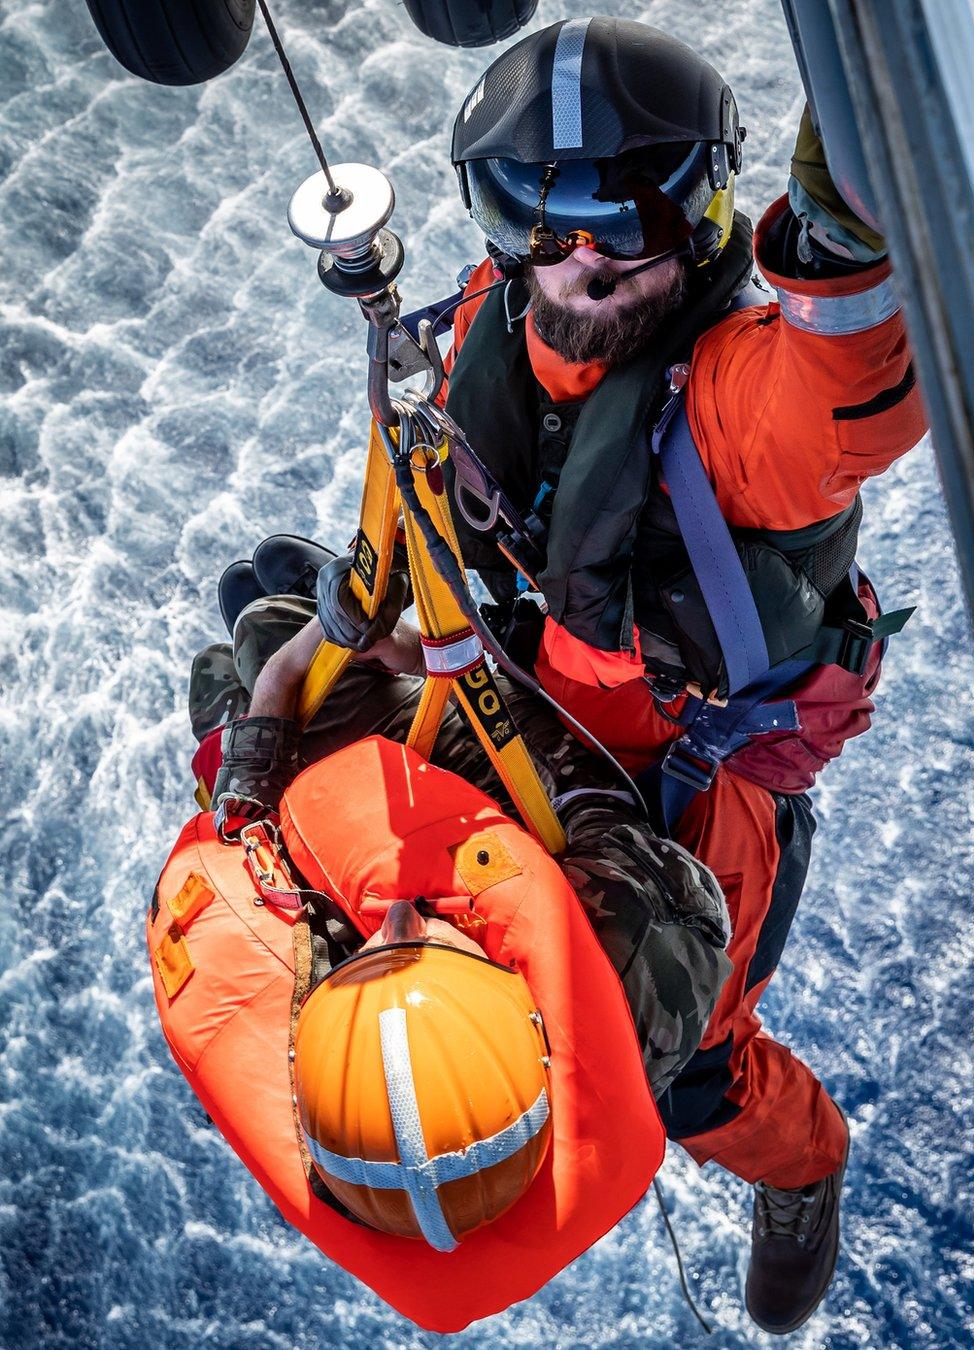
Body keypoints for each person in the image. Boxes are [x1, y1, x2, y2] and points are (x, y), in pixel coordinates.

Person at [289, 18, 924, 1334]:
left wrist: (850, 211)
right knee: (264, 634)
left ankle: (805, 1167)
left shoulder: (733, 407)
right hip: (510, 701)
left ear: (700, 218)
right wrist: (344, 640)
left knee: (694, 1069)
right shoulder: (468, 330)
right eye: (538, 216)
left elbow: (849, 394)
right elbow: (406, 516)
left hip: (686, 788)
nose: (578, 260)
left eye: (622, 222)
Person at [188, 536, 732, 1109]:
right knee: (262, 635)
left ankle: (256, 698)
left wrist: (282, 676)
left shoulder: (493, 1089)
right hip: (506, 839)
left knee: (243, 658)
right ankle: (293, 666)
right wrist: (395, 657)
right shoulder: (612, 956)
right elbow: (583, 794)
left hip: (499, 885)